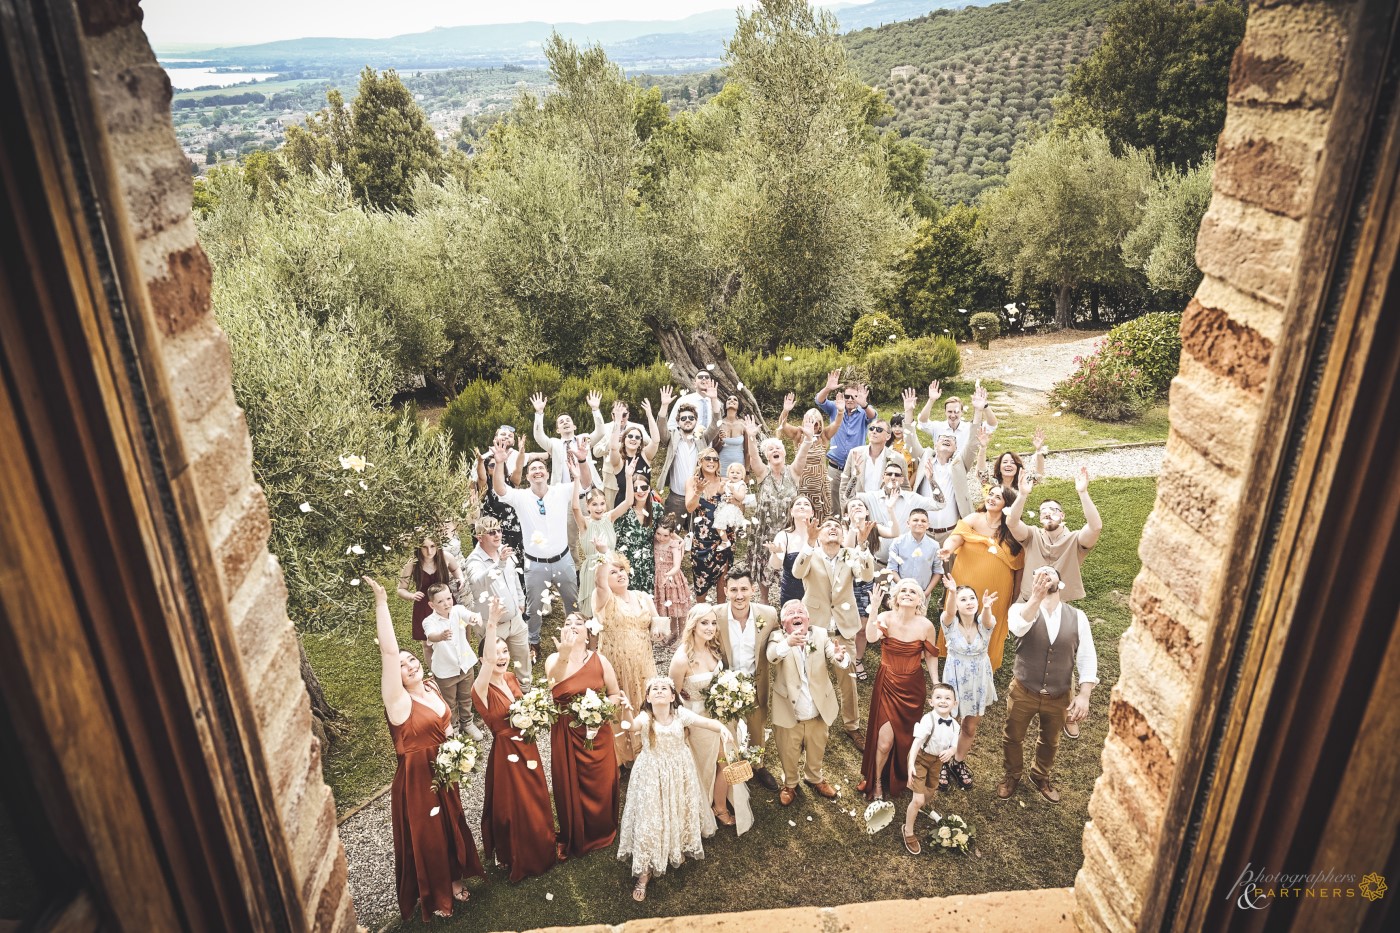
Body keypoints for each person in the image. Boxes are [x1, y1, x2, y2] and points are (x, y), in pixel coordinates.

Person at [365, 576, 484, 921]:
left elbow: (446, 726)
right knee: (428, 834)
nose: (410, 665)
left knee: (451, 823)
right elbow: (388, 651)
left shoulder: (432, 687)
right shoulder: (397, 703)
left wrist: (459, 754)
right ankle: (435, 892)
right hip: (417, 780)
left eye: (411, 660)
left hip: (445, 770)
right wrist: (382, 603)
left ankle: (456, 875)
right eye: (402, 666)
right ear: (395, 676)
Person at [617, 676, 735, 902]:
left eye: (664, 688)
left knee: (677, 808)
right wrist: (626, 710)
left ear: (673, 697)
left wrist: (721, 729)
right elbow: (630, 727)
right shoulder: (645, 717)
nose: (659, 691)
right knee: (651, 815)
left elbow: (706, 723)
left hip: (679, 771)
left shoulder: (681, 715)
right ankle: (644, 872)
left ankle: (675, 845)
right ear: (649, 698)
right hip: (652, 773)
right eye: (654, 689)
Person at [1006, 467, 1103, 738]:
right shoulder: (1032, 536)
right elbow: (1013, 523)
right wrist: (1023, 495)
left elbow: (1095, 527)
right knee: (1031, 653)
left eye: (1054, 509)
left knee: (1064, 654)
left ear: (1063, 516)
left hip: (1061, 606)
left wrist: (1083, 492)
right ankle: (1022, 696)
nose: (1048, 512)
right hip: (1030, 602)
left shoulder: (1075, 540)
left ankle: (1067, 709)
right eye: (1043, 509)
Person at [472, 598, 557, 882]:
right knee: (517, 804)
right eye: (495, 652)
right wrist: (492, 623)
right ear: (484, 658)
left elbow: (525, 708)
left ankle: (543, 846)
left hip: (528, 744)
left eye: (505, 650)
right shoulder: (480, 688)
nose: (501, 656)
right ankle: (521, 856)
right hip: (506, 752)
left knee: (536, 796)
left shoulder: (510, 678)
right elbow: (486, 661)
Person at [998, 567, 1097, 803]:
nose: (1044, 575)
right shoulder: (1019, 610)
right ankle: (1012, 775)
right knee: (1013, 736)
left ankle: (1040, 775)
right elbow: (1019, 627)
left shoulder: (1078, 617)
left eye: (1049, 573)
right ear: (1032, 583)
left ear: (1060, 583)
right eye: (1038, 574)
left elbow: (1086, 656)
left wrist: (1084, 695)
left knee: (1051, 740)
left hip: (1059, 693)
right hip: (1024, 690)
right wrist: (1036, 597)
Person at [546, 613, 628, 860]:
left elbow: (614, 693)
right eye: (568, 624)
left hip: (597, 731)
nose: (572, 627)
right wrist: (563, 654)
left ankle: (602, 830)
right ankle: (577, 832)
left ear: (588, 631)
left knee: (602, 780)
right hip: (567, 734)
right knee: (571, 783)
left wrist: (601, 712)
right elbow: (553, 686)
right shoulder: (553, 659)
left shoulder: (600, 660)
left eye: (578, 623)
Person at [491, 437, 578, 662]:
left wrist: (583, 461)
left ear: (547, 474)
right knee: (535, 606)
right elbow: (500, 489)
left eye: (541, 468)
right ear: (528, 476)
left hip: (563, 560)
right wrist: (499, 463)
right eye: (533, 469)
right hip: (535, 564)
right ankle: (534, 642)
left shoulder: (561, 491)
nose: (537, 471)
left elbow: (585, 483)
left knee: (573, 602)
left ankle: (575, 638)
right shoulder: (521, 497)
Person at [669, 605, 754, 834]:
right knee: (715, 763)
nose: (710, 628)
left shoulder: (713, 649)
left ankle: (718, 804)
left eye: (713, 623)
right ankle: (714, 806)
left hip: (721, 715)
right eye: (704, 623)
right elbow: (673, 699)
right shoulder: (681, 659)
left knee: (725, 761)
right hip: (697, 719)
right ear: (693, 625)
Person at [794, 517, 874, 751]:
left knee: (848, 681)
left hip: (843, 628)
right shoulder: (811, 553)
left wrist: (861, 545)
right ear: (818, 534)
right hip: (815, 628)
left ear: (842, 536)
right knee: (810, 677)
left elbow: (867, 576)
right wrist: (809, 542)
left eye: (837, 528)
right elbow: (797, 572)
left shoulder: (850, 555)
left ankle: (852, 726)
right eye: (827, 526)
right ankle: (807, 723)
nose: (832, 529)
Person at [859, 578, 939, 801]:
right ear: (895, 597)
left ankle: (899, 774)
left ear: (919, 600)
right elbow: (872, 638)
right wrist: (874, 609)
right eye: (902, 590)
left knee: (905, 738)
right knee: (885, 742)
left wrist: (935, 684)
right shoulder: (886, 618)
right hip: (888, 684)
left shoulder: (926, 626)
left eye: (912, 591)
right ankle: (876, 782)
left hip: (913, 689)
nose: (907, 593)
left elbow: (931, 656)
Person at [767, 600, 850, 806]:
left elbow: (833, 653)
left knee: (817, 748)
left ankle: (814, 777)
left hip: (818, 710)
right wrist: (788, 643)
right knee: (788, 750)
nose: (797, 615)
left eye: (800, 612)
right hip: (789, 711)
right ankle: (790, 783)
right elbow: (772, 656)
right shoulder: (777, 638)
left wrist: (840, 658)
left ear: (808, 619)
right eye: (791, 613)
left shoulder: (820, 634)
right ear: (782, 622)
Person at [937, 482, 1024, 668]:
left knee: (988, 621)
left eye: (998, 497)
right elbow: (957, 536)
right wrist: (947, 548)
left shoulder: (1013, 529)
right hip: (966, 581)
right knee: (960, 616)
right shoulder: (974, 518)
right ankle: (955, 658)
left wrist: (1016, 597)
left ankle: (985, 663)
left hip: (997, 588)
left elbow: (1019, 567)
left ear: (1007, 504)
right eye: (990, 494)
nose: (991, 498)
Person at [594, 552, 668, 764]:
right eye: (613, 572)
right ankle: (623, 754)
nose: (619, 575)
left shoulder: (643, 596)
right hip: (616, 664)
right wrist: (603, 555)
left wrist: (658, 631)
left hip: (643, 662)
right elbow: (600, 584)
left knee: (645, 702)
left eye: (622, 570)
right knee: (621, 703)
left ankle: (646, 746)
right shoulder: (604, 598)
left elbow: (657, 623)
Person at [713, 569, 781, 791]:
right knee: (727, 730)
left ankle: (758, 765)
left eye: (744, 589)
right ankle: (730, 768)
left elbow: (777, 637)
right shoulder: (715, 616)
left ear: (753, 590)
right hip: (725, 687)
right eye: (733, 590)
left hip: (755, 682)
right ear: (725, 592)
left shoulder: (769, 614)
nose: (739, 595)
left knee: (757, 726)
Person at [939, 578, 997, 788]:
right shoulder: (950, 624)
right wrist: (953, 593)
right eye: (964, 599)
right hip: (955, 679)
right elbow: (948, 613)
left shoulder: (984, 623)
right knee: (948, 724)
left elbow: (989, 621)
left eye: (972, 598)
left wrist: (988, 606)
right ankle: (942, 764)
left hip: (978, 681)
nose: (969, 602)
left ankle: (958, 762)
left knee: (969, 727)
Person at [743, 427, 811, 604]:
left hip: (789, 531)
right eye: (770, 449)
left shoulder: (793, 472)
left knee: (788, 569)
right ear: (767, 456)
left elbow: (802, 455)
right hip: (765, 530)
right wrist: (751, 438)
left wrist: (808, 439)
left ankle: (791, 601)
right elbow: (753, 458)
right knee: (764, 565)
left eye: (778, 448)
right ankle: (764, 602)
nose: (774, 451)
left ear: (784, 452)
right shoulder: (762, 473)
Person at [462, 515, 531, 686]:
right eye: (491, 532)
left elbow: (514, 577)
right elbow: (479, 581)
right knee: (492, 663)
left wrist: (521, 601)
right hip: (491, 625)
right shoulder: (473, 561)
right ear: (479, 537)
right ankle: (495, 694)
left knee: (523, 656)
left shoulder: (503, 551)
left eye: (499, 530)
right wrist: (499, 563)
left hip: (515, 620)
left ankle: (526, 690)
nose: (497, 535)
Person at [842, 496, 897, 682]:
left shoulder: (873, 527)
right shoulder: (842, 529)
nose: (857, 507)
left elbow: (894, 532)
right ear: (846, 514)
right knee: (844, 622)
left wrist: (890, 509)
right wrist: (852, 526)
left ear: (867, 511)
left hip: (866, 580)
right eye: (852, 506)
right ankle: (843, 654)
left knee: (863, 627)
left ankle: (857, 659)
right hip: (846, 581)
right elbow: (847, 549)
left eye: (860, 506)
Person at [901, 684, 961, 856]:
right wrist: (911, 764)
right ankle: (908, 831)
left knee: (930, 790)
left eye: (947, 698)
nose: (943, 701)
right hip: (920, 759)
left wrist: (950, 751)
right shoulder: (929, 720)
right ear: (931, 702)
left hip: (936, 763)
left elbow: (955, 745)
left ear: (955, 703)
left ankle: (922, 806)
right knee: (918, 799)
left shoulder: (955, 726)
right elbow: (916, 744)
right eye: (939, 697)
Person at [420, 583, 485, 741]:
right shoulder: (429, 621)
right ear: (432, 604)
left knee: (466, 696)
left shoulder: (457, 610)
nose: (447, 603)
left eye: (448, 598)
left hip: (465, 665)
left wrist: (474, 617)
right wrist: (440, 636)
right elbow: (430, 635)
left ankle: (467, 722)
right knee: (449, 701)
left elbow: (468, 615)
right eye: (441, 601)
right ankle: (453, 727)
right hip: (445, 671)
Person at [570, 460, 635, 617]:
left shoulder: (609, 517)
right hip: (592, 570)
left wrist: (628, 477)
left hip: (611, 566)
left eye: (602, 504)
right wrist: (577, 479)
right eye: (594, 504)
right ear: (588, 507)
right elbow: (575, 508)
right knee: (593, 613)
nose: (599, 508)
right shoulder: (584, 523)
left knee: (612, 610)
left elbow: (628, 502)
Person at [909, 424, 986, 545]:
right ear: (935, 445)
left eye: (952, 439)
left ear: (956, 448)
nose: (946, 439)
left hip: (951, 534)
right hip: (923, 534)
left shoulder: (960, 464)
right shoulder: (925, 459)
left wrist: (978, 410)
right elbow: (911, 440)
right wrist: (908, 410)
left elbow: (971, 444)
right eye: (942, 437)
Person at [397, 535, 463, 667]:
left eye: (433, 546)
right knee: (428, 643)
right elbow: (400, 589)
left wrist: (460, 578)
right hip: (424, 606)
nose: (429, 551)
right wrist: (411, 595)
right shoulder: (413, 564)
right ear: (418, 548)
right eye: (425, 547)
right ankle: (435, 672)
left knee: (455, 635)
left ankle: (460, 664)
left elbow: (456, 569)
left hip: (446, 603)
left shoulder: (445, 557)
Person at [857, 461, 938, 569]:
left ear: (902, 479)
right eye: (889, 474)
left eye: (897, 475)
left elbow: (939, 504)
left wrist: (931, 480)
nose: (893, 477)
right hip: (878, 564)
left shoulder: (912, 498)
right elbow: (847, 498)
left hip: (904, 566)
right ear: (883, 477)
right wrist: (855, 476)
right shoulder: (871, 497)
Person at [815, 370, 877, 509]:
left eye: (853, 397)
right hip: (835, 466)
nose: (849, 399)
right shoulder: (836, 407)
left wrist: (864, 404)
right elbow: (819, 400)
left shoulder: (863, 412)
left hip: (855, 467)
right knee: (833, 503)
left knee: (854, 502)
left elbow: (873, 417)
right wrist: (828, 388)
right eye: (847, 396)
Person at [474, 428, 527, 591]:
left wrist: (522, 451)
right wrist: (480, 460)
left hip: (515, 531)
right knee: (499, 565)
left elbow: (519, 468)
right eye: (490, 464)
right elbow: (481, 475)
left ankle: (521, 599)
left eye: (495, 464)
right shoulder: (485, 487)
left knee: (518, 565)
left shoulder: (511, 482)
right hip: (495, 533)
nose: (493, 466)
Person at [775, 395, 839, 523]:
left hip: (820, 485)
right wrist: (786, 410)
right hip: (802, 483)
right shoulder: (798, 434)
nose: (813, 426)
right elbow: (782, 425)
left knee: (820, 517)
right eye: (809, 422)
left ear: (820, 424)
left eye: (816, 423)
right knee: (801, 515)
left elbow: (837, 423)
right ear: (804, 422)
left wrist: (841, 411)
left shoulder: (824, 436)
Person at [604, 391, 670, 509]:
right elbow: (613, 447)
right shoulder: (618, 461)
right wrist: (617, 421)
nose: (633, 439)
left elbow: (655, 440)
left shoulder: (645, 456)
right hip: (623, 506)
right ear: (624, 440)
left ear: (641, 442)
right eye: (630, 436)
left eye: (637, 437)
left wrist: (649, 414)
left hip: (644, 504)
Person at [687, 446, 733, 602]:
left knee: (723, 580)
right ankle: (701, 616)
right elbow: (689, 507)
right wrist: (698, 491)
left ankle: (721, 618)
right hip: (702, 540)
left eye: (715, 459)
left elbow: (739, 508)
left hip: (723, 538)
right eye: (708, 458)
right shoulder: (693, 481)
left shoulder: (725, 482)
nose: (712, 462)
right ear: (700, 461)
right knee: (701, 584)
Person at [838, 417, 907, 511]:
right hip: (859, 508)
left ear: (888, 436)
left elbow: (905, 487)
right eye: (871, 428)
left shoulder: (898, 459)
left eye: (879, 430)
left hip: (885, 509)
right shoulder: (855, 453)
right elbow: (844, 484)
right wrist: (845, 507)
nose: (874, 431)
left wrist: (901, 510)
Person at [916, 380, 998, 455]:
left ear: (962, 412)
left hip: (961, 468)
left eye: (956, 412)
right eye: (949, 411)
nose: (952, 415)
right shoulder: (938, 427)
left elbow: (992, 425)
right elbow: (922, 422)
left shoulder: (969, 428)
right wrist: (931, 400)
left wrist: (985, 406)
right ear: (945, 412)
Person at [656, 401, 704, 526]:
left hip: (697, 497)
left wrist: (714, 398)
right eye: (683, 418)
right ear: (678, 422)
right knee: (669, 532)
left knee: (697, 535)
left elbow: (715, 426)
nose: (687, 420)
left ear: (696, 420)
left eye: (691, 418)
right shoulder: (672, 437)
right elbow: (661, 428)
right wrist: (664, 405)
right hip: (675, 498)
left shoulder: (702, 438)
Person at [615, 471, 662, 593]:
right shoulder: (624, 510)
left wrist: (680, 541)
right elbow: (614, 538)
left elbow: (665, 531)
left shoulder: (657, 509)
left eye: (644, 487)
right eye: (636, 488)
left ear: (649, 488)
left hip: (648, 563)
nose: (640, 491)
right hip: (627, 562)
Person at [767, 495, 814, 609]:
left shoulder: (819, 534)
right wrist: (776, 553)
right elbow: (776, 565)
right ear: (791, 512)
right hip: (791, 593)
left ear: (812, 513)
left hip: (816, 593)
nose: (802, 506)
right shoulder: (783, 536)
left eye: (806, 504)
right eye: (798, 504)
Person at [888, 508, 945, 602]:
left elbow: (938, 571)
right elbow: (891, 569)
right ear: (908, 523)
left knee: (919, 616)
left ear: (928, 525)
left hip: (922, 593)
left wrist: (925, 593)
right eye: (915, 520)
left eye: (923, 521)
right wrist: (904, 589)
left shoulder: (934, 546)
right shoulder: (897, 543)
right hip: (900, 591)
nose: (919, 523)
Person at [653, 513, 691, 641]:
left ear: (671, 534)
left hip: (673, 579)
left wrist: (667, 575)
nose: (661, 538)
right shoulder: (655, 542)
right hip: (660, 580)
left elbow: (677, 566)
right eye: (658, 534)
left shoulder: (674, 545)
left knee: (678, 609)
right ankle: (673, 633)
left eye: (665, 535)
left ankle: (682, 636)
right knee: (669, 610)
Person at [982, 427, 1047, 497]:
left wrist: (1039, 450)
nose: (1008, 465)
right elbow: (981, 473)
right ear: (999, 467)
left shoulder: (1022, 483)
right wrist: (982, 448)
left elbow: (1038, 475)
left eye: (1013, 463)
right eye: (1005, 462)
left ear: (1018, 468)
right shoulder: (993, 483)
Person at [705, 394, 752, 477]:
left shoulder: (743, 424)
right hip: (721, 467)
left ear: (739, 406)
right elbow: (714, 450)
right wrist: (721, 441)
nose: (732, 400)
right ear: (725, 406)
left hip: (738, 469)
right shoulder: (719, 424)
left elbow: (747, 452)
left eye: (735, 399)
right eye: (729, 399)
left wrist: (747, 472)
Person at [667, 369, 718, 433]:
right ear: (695, 384)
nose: (704, 378)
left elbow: (717, 424)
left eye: (707, 377)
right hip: (688, 440)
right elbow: (672, 425)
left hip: (709, 441)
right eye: (700, 377)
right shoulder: (683, 400)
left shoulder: (716, 403)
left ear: (710, 382)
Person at [711, 460, 751, 539]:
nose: (735, 474)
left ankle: (735, 534)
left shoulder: (741, 484)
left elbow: (741, 497)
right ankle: (726, 539)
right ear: (728, 474)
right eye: (732, 472)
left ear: (742, 476)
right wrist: (721, 486)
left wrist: (733, 491)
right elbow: (720, 492)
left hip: (734, 507)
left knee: (726, 522)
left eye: (738, 473)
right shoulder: (727, 482)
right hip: (725, 506)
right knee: (721, 522)